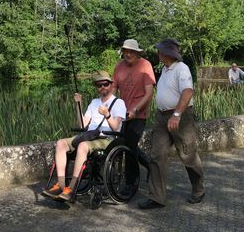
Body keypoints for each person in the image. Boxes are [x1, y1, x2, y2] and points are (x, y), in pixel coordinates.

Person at [138, 38, 205, 209]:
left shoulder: (181, 69)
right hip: (162, 117)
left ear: (167, 53)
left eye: (160, 51)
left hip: (180, 116)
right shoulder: (166, 70)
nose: (158, 53)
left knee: (187, 153)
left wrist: (176, 114)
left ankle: (198, 189)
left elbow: (188, 91)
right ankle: (157, 197)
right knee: (157, 154)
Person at [42, 71, 126, 201]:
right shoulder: (94, 102)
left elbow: (115, 127)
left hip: (107, 138)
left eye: (105, 84)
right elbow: (82, 125)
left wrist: (107, 115)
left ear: (110, 84)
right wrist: (78, 105)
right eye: (99, 85)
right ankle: (60, 185)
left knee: (82, 146)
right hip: (89, 136)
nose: (102, 87)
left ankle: (71, 188)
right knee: (60, 143)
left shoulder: (119, 103)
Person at [112, 39, 156, 183]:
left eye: (131, 51)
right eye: (126, 51)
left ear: (137, 53)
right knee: (124, 143)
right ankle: (149, 164)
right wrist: (109, 105)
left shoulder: (145, 65)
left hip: (139, 114)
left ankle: (131, 183)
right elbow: (113, 89)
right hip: (122, 114)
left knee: (130, 147)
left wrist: (135, 110)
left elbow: (149, 93)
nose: (128, 54)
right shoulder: (119, 67)